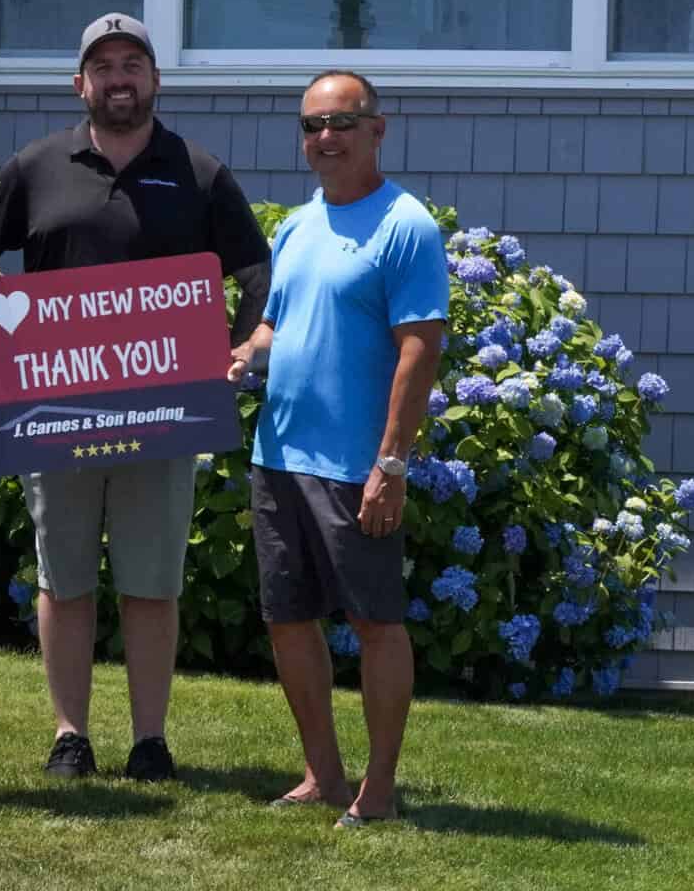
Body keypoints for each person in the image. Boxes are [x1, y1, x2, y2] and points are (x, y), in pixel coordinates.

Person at [0, 12, 271, 781]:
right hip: (54, 411)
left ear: (155, 78)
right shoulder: (34, 165)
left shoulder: (198, 171)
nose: (118, 79)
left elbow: (259, 274)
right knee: (63, 579)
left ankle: (149, 741)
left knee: (150, 582)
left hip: (163, 413)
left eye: (132, 63)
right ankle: (69, 735)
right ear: (80, 84)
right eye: (102, 67)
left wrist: (239, 348)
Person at [227, 70, 448, 826]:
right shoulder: (297, 224)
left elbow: (419, 348)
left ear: (377, 130)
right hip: (278, 455)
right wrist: (243, 355)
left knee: (375, 622)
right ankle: (321, 774)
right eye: (312, 125)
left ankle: (377, 790)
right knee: (287, 618)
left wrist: (391, 463)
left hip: (356, 466)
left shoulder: (406, 225)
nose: (325, 137)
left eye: (341, 123)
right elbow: (275, 324)